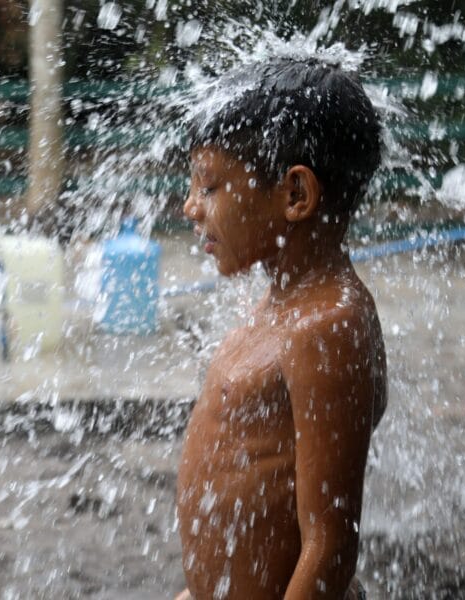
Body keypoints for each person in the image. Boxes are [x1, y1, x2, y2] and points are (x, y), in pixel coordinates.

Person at [174, 57, 387, 599]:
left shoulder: (329, 326)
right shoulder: (282, 301)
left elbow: (330, 545)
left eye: (210, 186)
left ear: (295, 195)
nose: (190, 207)